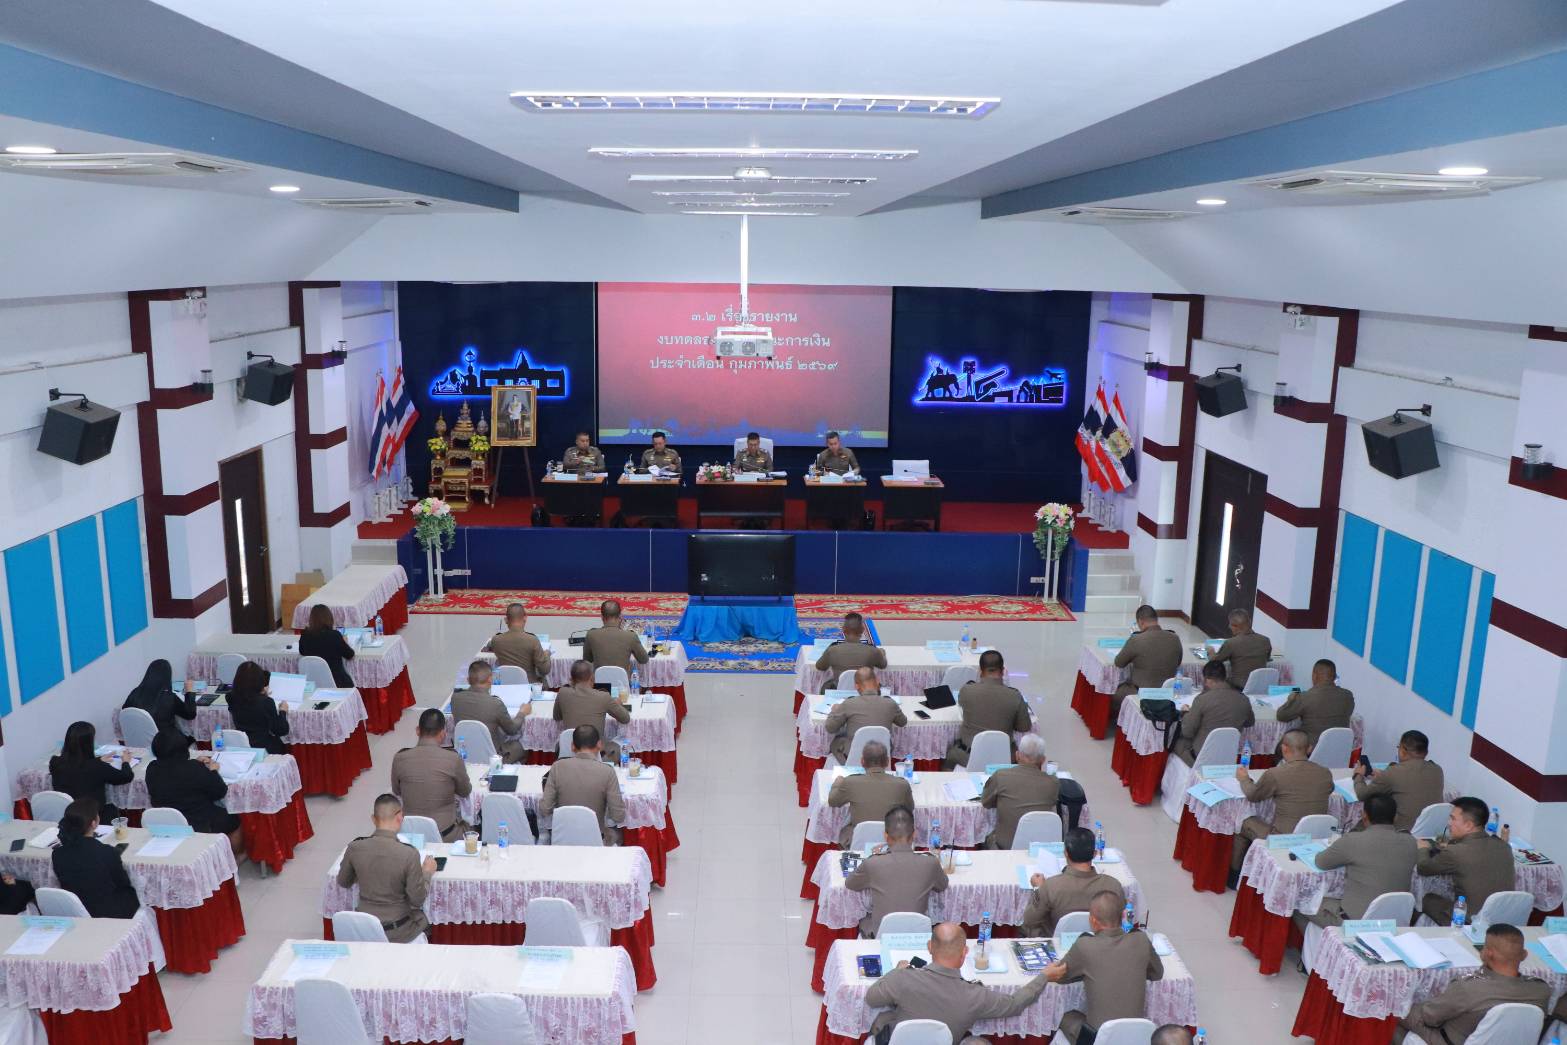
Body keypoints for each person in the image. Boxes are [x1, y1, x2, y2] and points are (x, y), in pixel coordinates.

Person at [864, 921, 1049, 1044]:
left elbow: (871, 998)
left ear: (929, 947)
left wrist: (897, 971)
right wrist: (1044, 976)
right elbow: (1014, 1004)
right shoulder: (976, 994)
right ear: (965, 953)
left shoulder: (903, 978)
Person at [1394, 923, 1550, 1043]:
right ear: (1524, 955)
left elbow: (1429, 1017)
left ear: (1487, 953)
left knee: (1393, 1013)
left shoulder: (1469, 988)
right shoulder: (1541, 990)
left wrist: (1403, 1005)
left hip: (1450, 1040)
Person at [1045, 890, 1165, 1044]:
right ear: (1123, 916)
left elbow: (1059, 976)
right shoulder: (1141, 939)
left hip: (1096, 1039)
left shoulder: (1085, 945)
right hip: (1135, 1037)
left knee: (1062, 1015)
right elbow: (1157, 973)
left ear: (1093, 920)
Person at [336, 793, 438, 943]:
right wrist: (427, 872)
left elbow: (343, 882)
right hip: (399, 931)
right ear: (400, 818)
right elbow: (417, 900)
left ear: (373, 819)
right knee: (425, 920)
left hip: (364, 929)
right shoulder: (408, 853)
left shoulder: (355, 847)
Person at [1306, 793, 1419, 927]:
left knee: (1304, 902)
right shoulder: (1411, 842)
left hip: (1355, 923)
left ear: (1364, 816)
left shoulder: (1353, 840)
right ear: (1395, 817)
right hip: (1395, 921)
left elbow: (1321, 862)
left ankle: (1326, 940)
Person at [1230, 729, 1332, 872]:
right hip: (1317, 836)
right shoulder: (1325, 772)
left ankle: (1236, 874)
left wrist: (1244, 779)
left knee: (1242, 821)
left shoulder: (1275, 773)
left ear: (1284, 748)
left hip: (1283, 838)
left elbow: (1253, 795)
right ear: (1310, 749)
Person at [844, 805, 948, 937]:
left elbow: (850, 884)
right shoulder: (931, 863)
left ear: (885, 836)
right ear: (914, 834)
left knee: (864, 918)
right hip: (918, 936)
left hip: (880, 936)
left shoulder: (873, 863)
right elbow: (942, 885)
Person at [1415, 797, 1516, 926]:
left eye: (1452, 819)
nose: (1448, 823)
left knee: (1427, 899)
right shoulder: (1504, 846)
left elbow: (1423, 868)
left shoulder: (1455, 852)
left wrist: (1423, 848)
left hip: (1469, 921)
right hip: (1503, 920)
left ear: (1468, 825)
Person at [145, 729, 244, 853]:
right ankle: (237, 856)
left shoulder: (152, 769)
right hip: (199, 823)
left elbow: (174, 773)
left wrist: (195, 764)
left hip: (167, 824)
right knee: (234, 819)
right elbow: (220, 791)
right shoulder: (194, 768)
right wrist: (213, 770)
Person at [1022, 826, 1125, 936]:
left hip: (1058, 942)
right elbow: (1123, 921)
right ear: (1095, 854)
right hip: (1100, 942)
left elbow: (1029, 920)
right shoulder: (1113, 886)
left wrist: (1038, 888)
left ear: (1066, 853)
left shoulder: (1050, 886)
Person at [389, 709, 472, 842]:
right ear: (443, 734)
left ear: (418, 730)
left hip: (411, 836)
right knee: (473, 827)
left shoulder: (399, 758)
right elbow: (465, 791)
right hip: (446, 835)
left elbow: (397, 791)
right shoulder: (453, 758)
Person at [943, 650, 1032, 770]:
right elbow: (1024, 727)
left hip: (966, 757)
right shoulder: (1015, 695)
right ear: (1003, 671)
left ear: (980, 671)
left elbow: (962, 703)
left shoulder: (967, 691)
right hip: (1004, 758)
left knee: (949, 755)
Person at [51, 798, 139, 918]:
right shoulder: (107, 852)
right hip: (109, 912)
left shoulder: (57, 854)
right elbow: (123, 884)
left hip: (76, 910)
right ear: (94, 823)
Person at [539, 725, 625, 845]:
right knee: (617, 834)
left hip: (562, 840)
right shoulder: (607, 771)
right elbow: (618, 816)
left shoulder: (557, 767)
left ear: (572, 746)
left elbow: (545, 809)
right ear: (599, 745)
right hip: (596, 840)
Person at [1353, 729, 1445, 832]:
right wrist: (1384, 775)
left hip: (1401, 832)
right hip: (1431, 833)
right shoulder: (1437, 770)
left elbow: (1362, 795)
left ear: (1403, 751)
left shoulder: (1392, 772)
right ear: (1426, 752)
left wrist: (1358, 775)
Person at [826, 740, 913, 848]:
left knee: (845, 829)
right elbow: (910, 808)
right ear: (887, 761)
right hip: (892, 840)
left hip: (859, 841)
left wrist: (838, 782)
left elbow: (832, 801)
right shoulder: (902, 784)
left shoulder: (850, 782)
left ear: (862, 761)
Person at [981, 733, 1059, 850]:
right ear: (1043, 760)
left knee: (986, 837)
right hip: (1039, 848)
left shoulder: (1001, 776)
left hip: (1005, 847)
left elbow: (986, 802)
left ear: (1017, 755)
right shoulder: (1053, 783)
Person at [49, 720, 134, 825]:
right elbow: (126, 776)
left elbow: (77, 767)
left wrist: (98, 760)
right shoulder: (96, 767)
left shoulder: (55, 762)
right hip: (93, 816)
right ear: (88, 744)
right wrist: (125, 762)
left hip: (67, 816)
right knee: (112, 809)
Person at [1171, 660, 1254, 765]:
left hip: (1200, 757)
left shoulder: (1202, 700)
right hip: (1227, 756)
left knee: (1174, 742)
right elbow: (1250, 722)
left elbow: (1187, 732)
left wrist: (1186, 714)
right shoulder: (1244, 699)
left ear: (1208, 680)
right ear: (1224, 677)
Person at [1111, 605, 1183, 721]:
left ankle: (1123, 723)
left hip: (1141, 693)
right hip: (1168, 693)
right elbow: (1178, 662)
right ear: (1156, 619)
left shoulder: (1137, 640)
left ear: (1141, 622)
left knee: (1114, 690)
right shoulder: (1175, 638)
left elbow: (1119, 662)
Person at [824, 667, 907, 763]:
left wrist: (835, 710)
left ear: (856, 686)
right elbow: (902, 722)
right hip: (882, 755)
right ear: (877, 681)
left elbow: (830, 728)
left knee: (836, 742)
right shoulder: (890, 703)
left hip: (855, 754)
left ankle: (848, 765)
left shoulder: (849, 703)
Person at [451, 660, 528, 763]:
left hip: (465, 753)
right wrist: (522, 713)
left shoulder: (455, 699)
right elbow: (512, 730)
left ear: (468, 680)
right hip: (493, 757)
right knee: (521, 747)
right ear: (490, 679)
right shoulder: (495, 703)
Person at [554, 659, 631, 762]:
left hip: (568, 750)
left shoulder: (563, 693)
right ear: (592, 678)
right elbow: (625, 718)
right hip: (596, 752)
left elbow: (557, 716)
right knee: (618, 747)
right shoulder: (603, 697)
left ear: (571, 679)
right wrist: (617, 704)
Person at [1275, 658, 1355, 749]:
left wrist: (1291, 699)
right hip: (1339, 748)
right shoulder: (1348, 696)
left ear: (1314, 676)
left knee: (1281, 746)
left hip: (1310, 750)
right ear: (1334, 677)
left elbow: (1281, 716)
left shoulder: (1305, 697)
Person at [228, 661, 291, 754]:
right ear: (259, 681)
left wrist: (262, 694)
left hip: (242, 746)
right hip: (264, 749)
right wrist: (283, 711)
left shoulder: (230, 697)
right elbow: (281, 730)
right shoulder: (266, 702)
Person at [122, 658, 197, 736]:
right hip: (164, 741)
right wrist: (189, 692)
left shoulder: (135, 692)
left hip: (137, 739)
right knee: (189, 737)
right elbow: (190, 714)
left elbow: (125, 713)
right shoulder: (169, 697)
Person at [484, 602, 552, 684]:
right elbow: (544, 670)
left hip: (504, 684)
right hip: (529, 685)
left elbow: (489, 646)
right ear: (525, 618)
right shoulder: (532, 640)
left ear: (506, 620)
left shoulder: (496, 640)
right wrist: (546, 654)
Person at [815, 612, 888, 686]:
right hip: (864, 690)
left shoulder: (832, 651)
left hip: (839, 691)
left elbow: (820, 666)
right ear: (862, 630)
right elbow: (883, 665)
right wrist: (881, 653)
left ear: (843, 630)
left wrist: (826, 654)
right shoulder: (872, 651)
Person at [583, 599, 650, 678]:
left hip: (599, 683)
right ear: (620, 616)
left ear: (602, 617)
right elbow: (644, 660)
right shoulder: (630, 636)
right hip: (622, 684)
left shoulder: (591, 635)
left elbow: (587, 660)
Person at [1209, 607, 1272, 688]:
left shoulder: (1231, 643)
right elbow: (1267, 658)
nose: (1229, 626)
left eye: (1230, 624)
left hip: (1239, 686)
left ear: (1235, 626)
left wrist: (1211, 651)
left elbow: (1214, 662)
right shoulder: (1265, 640)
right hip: (1261, 685)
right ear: (1250, 622)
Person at [297, 603, 357, 688]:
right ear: (329, 618)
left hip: (313, 683)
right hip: (337, 683)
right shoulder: (334, 635)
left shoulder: (305, 635)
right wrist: (344, 642)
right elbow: (350, 655)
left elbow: (302, 651)